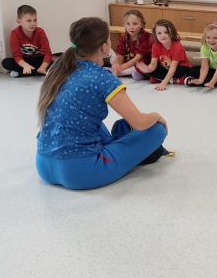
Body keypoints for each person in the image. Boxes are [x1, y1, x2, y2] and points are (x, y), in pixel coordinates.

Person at [36, 17, 168, 190]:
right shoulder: (102, 78)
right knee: (157, 129)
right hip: (80, 172)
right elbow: (140, 123)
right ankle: (119, 144)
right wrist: (156, 116)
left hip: (43, 165)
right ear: (104, 46)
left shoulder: (58, 68)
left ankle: (116, 142)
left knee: (86, 118)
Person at [135, 19, 194, 90]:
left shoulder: (177, 46)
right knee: (147, 66)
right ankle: (172, 80)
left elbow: (173, 67)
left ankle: (166, 79)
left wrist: (164, 83)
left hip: (181, 68)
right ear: (155, 35)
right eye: (159, 33)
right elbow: (153, 64)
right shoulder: (155, 46)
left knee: (178, 71)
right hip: (166, 68)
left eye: (166, 32)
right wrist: (146, 69)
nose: (163, 35)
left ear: (172, 32)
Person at [1, 4, 53, 77]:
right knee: (6, 62)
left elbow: (47, 53)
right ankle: (37, 72)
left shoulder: (40, 32)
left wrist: (43, 67)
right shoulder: (15, 33)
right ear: (19, 21)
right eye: (29, 21)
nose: (33, 23)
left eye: (35, 20)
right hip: (24, 60)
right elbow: (16, 55)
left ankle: (23, 73)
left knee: (57, 61)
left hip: (38, 59)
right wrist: (25, 65)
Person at [110, 9, 152, 80]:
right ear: (124, 25)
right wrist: (117, 65)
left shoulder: (146, 37)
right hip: (129, 62)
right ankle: (125, 72)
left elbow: (138, 57)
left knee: (139, 64)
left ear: (141, 24)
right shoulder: (124, 37)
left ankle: (134, 72)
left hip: (143, 62)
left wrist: (122, 67)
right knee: (113, 60)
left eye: (135, 24)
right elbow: (120, 55)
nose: (131, 27)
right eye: (128, 24)